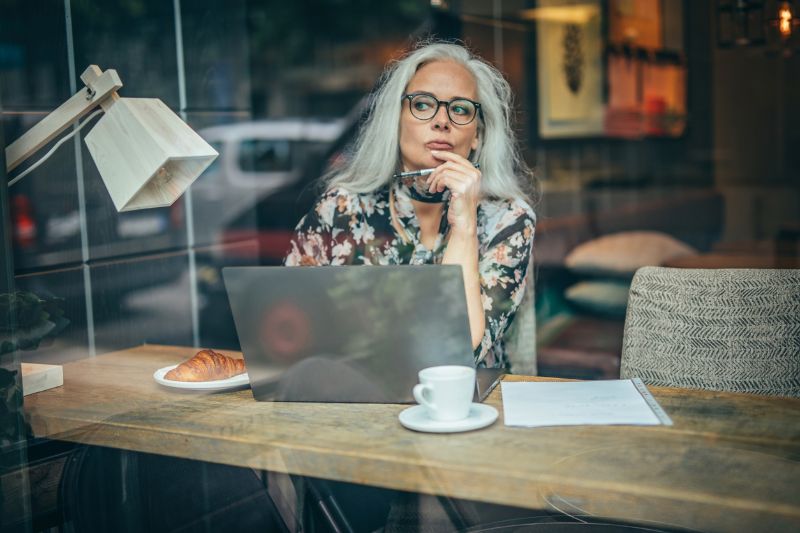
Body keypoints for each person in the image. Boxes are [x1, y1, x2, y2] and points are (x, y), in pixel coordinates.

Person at [285, 41, 537, 369]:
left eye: (460, 109)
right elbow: (290, 333)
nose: (442, 120)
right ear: (397, 119)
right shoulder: (341, 210)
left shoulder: (508, 220)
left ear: (477, 135)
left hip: (464, 405)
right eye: (423, 104)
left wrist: (464, 228)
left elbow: (458, 351)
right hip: (351, 399)